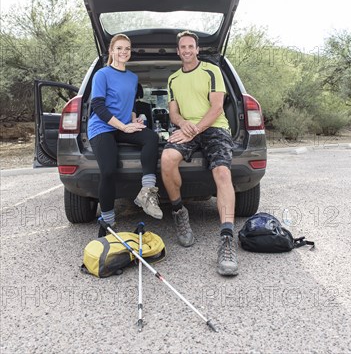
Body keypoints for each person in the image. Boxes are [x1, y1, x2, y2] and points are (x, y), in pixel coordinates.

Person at [161, 31, 238, 276]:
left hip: (214, 128)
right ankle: (179, 213)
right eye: (182, 47)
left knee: (222, 171)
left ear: (197, 49)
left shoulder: (211, 71)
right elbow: (173, 113)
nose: (186, 50)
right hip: (187, 129)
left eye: (190, 46)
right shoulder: (172, 79)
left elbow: (217, 107)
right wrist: (183, 124)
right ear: (178, 51)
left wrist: (195, 130)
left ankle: (227, 239)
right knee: (167, 159)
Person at [88, 33, 163, 237]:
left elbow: (127, 104)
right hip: (102, 127)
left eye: (127, 49)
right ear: (111, 51)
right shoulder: (102, 75)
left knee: (150, 137)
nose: (123, 52)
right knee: (109, 170)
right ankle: (107, 222)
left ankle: (147, 192)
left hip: (123, 125)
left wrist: (133, 119)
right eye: (119, 48)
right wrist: (123, 126)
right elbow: (98, 106)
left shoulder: (132, 77)